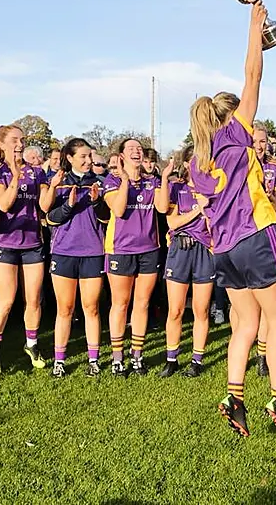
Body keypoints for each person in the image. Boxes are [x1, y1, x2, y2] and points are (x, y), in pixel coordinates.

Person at [188, 1, 276, 436]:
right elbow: (253, 77)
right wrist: (255, 28)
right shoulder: (235, 135)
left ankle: (235, 397)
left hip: (224, 249)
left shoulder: (196, 161)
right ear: (225, 118)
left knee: (243, 324)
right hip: (256, 235)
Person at [0, 124, 53, 376]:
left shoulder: (36, 172)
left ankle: (32, 344)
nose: (20, 144)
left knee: (34, 299)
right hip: (6, 243)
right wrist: (14, 174)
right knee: (6, 299)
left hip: (33, 242)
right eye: (14, 140)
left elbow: (44, 206)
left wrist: (52, 186)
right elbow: (4, 205)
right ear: (1, 144)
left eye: (22, 140)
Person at [102, 139, 170, 376]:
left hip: (149, 248)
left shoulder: (152, 181)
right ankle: (117, 358)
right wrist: (124, 181)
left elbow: (162, 209)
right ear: (121, 156)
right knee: (120, 304)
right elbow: (119, 210)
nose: (137, 151)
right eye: (131, 149)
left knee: (142, 303)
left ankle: (137, 356)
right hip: (120, 249)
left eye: (139, 148)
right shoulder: (111, 181)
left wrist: (163, 179)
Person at [45, 138, 110, 378]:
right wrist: (68, 206)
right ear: (69, 158)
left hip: (93, 251)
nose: (88, 161)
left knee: (91, 307)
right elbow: (50, 218)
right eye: (82, 156)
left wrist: (96, 203)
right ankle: (59, 361)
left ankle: (94, 360)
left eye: (89, 156)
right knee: (65, 308)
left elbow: (106, 219)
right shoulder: (59, 183)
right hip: (64, 252)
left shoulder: (100, 183)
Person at [160, 145, 215, 378]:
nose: (200, 165)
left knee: (201, 310)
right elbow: (172, 222)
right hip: (180, 249)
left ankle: (197, 360)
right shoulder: (176, 187)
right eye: (195, 161)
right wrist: (198, 211)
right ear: (186, 164)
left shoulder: (212, 190)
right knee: (176, 310)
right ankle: (171, 359)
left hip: (204, 251)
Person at [252, 121, 276, 376]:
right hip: (242, 237)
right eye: (254, 141)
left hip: (268, 235)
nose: (259, 146)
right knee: (244, 304)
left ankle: (262, 353)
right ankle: (245, 345)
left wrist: (268, 196)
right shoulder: (238, 164)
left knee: (270, 299)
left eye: (262, 141)